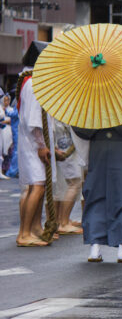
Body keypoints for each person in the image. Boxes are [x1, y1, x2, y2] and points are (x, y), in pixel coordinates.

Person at [74, 119, 122, 263]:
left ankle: (95, 248)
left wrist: (98, 124)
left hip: (97, 147)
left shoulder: (92, 101)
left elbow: (79, 129)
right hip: (121, 146)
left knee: (95, 195)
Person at [16, 68, 57, 247]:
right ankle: (24, 233)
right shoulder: (34, 84)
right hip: (33, 144)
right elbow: (34, 121)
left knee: (38, 186)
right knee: (38, 187)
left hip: (32, 143)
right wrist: (41, 146)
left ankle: (35, 227)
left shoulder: (33, 82)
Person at [53, 119, 87, 235]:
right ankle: (63, 222)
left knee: (62, 185)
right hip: (65, 145)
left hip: (60, 142)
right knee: (75, 183)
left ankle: (60, 220)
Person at [5, 95, 20, 178]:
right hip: (16, 129)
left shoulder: (18, 100)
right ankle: (12, 171)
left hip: (17, 129)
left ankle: (13, 171)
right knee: (16, 151)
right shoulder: (18, 100)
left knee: (16, 151)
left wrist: (6, 110)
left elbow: (14, 113)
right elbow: (15, 113)